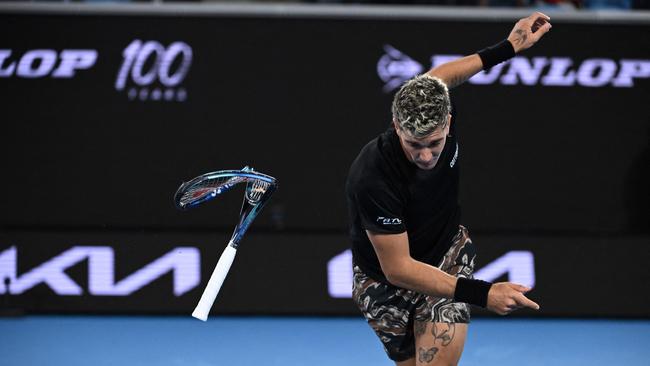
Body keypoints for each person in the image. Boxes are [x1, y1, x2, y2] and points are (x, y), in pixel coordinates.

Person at [345, 12, 552, 366]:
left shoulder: (434, 103)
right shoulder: (372, 176)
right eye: (414, 145)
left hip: (447, 256)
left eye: (435, 143)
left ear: (449, 120)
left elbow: (441, 78)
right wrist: (484, 294)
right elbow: (399, 269)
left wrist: (509, 46)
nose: (426, 156)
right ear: (397, 126)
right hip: (385, 283)